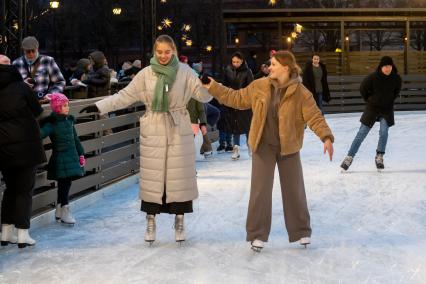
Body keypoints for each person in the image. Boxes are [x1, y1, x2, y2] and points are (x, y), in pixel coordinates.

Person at [80, 35, 212, 244]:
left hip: (179, 126)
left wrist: (207, 86)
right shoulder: (146, 74)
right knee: (153, 178)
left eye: (167, 52)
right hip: (154, 126)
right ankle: (150, 221)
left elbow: (203, 97)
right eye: (159, 52)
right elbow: (124, 96)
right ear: (154, 52)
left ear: (174, 51)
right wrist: (100, 106)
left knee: (179, 178)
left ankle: (179, 220)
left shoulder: (186, 72)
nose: (163, 56)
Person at [202, 50, 334, 252]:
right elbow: (236, 98)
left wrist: (326, 137)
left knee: (294, 190)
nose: (269, 67)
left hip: (288, 146)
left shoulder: (300, 92)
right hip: (263, 145)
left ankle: (301, 231)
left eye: (273, 64)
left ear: (286, 67)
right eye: (270, 64)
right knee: (260, 191)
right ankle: (257, 234)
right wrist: (214, 87)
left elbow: (314, 116)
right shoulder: (259, 86)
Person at [0, 54, 46, 248]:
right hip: (26, 146)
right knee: (24, 190)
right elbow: (38, 111)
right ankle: (22, 234)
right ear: (10, 67)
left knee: (10, 189)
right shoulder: (21, 87)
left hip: (2, 148)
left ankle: (6, 233)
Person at [340, 56, 402, 171]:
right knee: (361, 133)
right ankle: (349, 157)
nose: (387, 69)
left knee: (384, 132)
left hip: (386, 109)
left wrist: (389, 100)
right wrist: (370, 100)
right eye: (385, 66)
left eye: (389, 66)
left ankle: (379, 156)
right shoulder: (373, 77)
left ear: (392, 67)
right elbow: (363, 89)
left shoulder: (396, 78)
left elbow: (396, 91)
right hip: (372, 108)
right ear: (381, 67)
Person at [39, 93, 85, 225]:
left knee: (66, 182)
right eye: (64, 105)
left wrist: (81, 153)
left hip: (71, 156)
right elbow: (41, 134)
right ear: (58, 107)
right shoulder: (52, 123)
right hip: (60, 158)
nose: (67, 108)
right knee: (64, 183)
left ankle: (59, 209)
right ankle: (65, 209)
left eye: (68, 105)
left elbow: (75, 139)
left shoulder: (69, 121)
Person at [12, 36, 65, 102]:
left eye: (33, 51)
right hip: (23, 104)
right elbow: (11, 87)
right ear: (23, 50)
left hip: (44, 102)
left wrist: (51, 94)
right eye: (28, 52)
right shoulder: (16, 63)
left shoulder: (48, 60)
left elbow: (60, 82)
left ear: (37, 48)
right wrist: (22, 85)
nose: (31, 54)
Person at [222, 51, 254, 160]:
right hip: (232, 102)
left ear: (242, 61)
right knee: (235, 126)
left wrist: (247, 98)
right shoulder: (228, 70)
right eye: (233, 61)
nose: (235, 63)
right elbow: (225, 85)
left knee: (247, 125)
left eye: (237, 62)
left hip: (244, 102)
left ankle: (250, 144)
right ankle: (236, 148)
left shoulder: (247, 71)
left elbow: (251, 87)